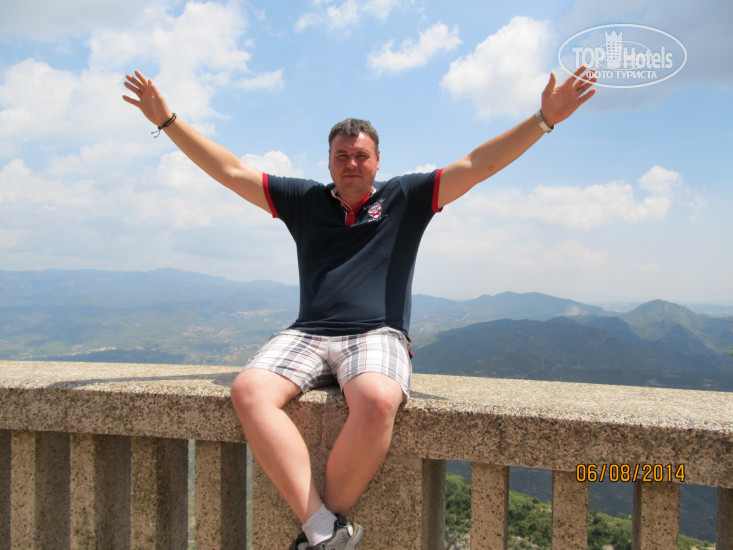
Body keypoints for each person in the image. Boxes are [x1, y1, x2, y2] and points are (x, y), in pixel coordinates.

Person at [122, 65, 595, 549]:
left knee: (377, 399)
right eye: (342, 156)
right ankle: (324, 531)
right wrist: (168, 121)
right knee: (248, 391)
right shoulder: (303, 199)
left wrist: (543, 119)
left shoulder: (407, 197)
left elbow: (479, 164)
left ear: (377, 160)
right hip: (307, 332)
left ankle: (319, 531)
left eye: (361, 155)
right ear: (329, 162)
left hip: (377, 332)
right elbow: (230, 170)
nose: (352, 163)